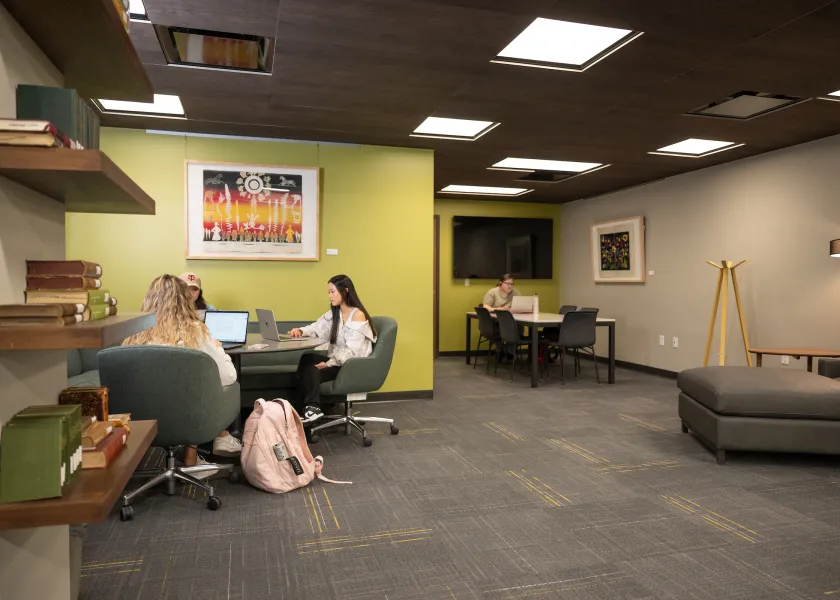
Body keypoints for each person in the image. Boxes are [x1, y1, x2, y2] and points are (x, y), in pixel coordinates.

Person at [123, 275, 242, 467]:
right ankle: (194, 456)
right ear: (184, 301)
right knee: (195, 386)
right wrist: (216, 347)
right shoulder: (195, 332)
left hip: (138, 417)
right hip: (185, 415)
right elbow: (229, 376)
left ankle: (189, 457)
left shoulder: (133, 333)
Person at [288, 274, 376, 424]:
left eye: (332, 292)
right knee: (307, 358)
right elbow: (316, 328)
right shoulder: (335, 313)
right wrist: (301, 331)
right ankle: (305, 408)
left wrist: (329, 363)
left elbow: (353, 352)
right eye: (328, 292)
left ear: (345, 291)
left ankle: (312, 408)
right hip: (339, 360)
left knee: (312, 369)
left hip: (351, 365)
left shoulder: (357, 315)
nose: (330, 296)